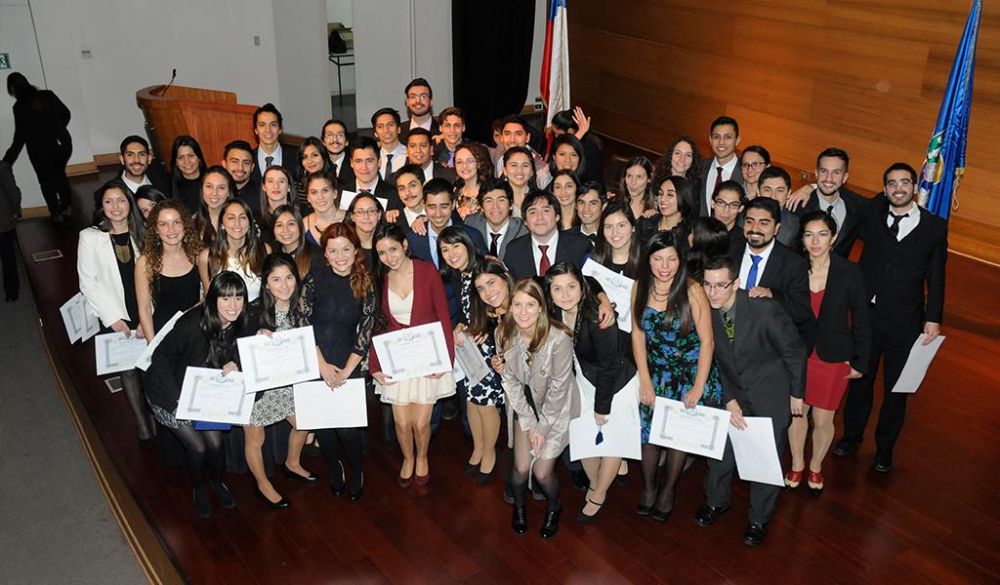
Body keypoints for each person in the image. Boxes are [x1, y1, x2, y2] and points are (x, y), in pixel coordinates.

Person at [834, 162, 947, 473]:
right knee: (860, 381)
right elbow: (842, 193)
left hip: (906, 323)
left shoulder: (934, 227)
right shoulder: (872, 214)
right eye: (892, 183)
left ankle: (884, 449)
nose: (899, 188)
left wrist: (934, 317)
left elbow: (937, 276)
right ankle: (851, 436)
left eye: (905, 183)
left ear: (914, 187)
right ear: (884, 190)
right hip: (867, 318)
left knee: (897, 389)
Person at [697, 256, 806, 546]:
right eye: (707, 284)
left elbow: (794, 351)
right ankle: (717, 501)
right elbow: (713, 360)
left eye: (721, 285)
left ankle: (759, 519)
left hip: (769, 393)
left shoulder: (765, 309)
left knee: (764, 461)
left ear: (736, 284)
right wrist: (729, 398)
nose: (713, 293)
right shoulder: (705, 311)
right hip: (732, 392)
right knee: (720, 454)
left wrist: (797, 393)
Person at [631, 230, 723, 522]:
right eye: (658, 258)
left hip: (689, 372)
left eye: (671, 258)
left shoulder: (693, 290)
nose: (664, 265)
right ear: (648, 260)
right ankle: (648, 488)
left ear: (680, 260)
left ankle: (669, 489)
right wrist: (644, 379)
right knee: (648, 434)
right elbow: (637, 335)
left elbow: (708, 341)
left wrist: (697, 387)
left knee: (676, 437)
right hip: (655, 371)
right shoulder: (639, 287)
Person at [145, 271, 252, 518]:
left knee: (215, 444)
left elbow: (244, 345)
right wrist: (177, 398)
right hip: (168, 392)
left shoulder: (240, 321)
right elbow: (159, 358)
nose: (233, 305)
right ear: (212, 299)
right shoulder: (191, 324)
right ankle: (199, 488)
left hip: (203, 391)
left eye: (238, 298)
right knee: (199, 448)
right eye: (226, 298)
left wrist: (235, 362)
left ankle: (216, 482)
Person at [544, 262, 637, 523]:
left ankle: (598, 493)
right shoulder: (554, 309)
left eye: (571, 287)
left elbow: (609, 367)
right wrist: (602, 292)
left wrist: (601, 408)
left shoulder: (598, 317)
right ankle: (599, 482)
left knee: (612, 434)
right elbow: (591, 281)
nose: (565, 294)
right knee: (582, 434)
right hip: (585, 375)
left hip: (617, 380)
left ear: (580, 288)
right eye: (558, 289)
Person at [786, 212, 870, 494]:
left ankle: (816, 465)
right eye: (809, 234)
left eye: (822, 234)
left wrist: (859, 359)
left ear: (833, 238)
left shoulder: (850, 271)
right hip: (799, 355)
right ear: (802, 239)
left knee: (823, 420)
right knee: (797, 415)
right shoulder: (794, 269)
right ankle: (797, 463)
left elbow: (861, 318)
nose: (815, 241)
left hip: (833, 356)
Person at [370, 224, 456, 487]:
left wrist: (446, 360)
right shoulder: (379, 278)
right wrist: (374, 365)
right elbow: (376, 324)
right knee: (401, 422)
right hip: (396, 359)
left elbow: (443, 316)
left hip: (427, 356)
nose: (389, 257)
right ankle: (407, 458)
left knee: (420, 424)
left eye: (393, 249)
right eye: (382, 253)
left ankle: (422, 456)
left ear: (405, 245)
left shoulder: (427, 271)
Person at [499, 278, 578, 539]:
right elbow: (509, 381)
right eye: (517, 305)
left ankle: (555, 507)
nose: (523, 312)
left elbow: (559, 387)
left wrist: (542, 427)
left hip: (557, 407)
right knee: (520, 470)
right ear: (509, 308)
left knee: (542, 473)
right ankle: (519, 508)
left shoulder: (560, 339)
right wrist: (530, 423)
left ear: (542, 308)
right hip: (526, 405)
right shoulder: (504, 333)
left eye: (530, 305)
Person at [78, 179, 153, 445]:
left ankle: (154, 413)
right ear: (101, 206)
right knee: (129, 370)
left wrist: (147, 317)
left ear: (129, 203)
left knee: (150, 365)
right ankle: (142, 422)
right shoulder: (90, 237)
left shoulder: (144, 232)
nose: (116, 207)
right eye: (108, 201)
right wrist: (114, 320)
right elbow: (88, 282)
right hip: (115, 315)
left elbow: (154, 275)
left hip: (145, 309)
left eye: (121, 200)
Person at [307, 223, 377, 499]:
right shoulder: (314, 279)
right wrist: (322, 365)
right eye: (333, 250)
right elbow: (303, 322)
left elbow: (366, 329)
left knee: (347, 429)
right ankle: (335, 467)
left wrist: (347, 371)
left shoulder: (365, 281)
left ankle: (357, 469)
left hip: (350, 361)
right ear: (325, 253)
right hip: (317, 359)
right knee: (323, 427)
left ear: (355, 250)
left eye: (345, 249)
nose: (339, 256)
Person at [244, 254, 314, 508]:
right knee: (255, 439)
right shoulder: (253, 311)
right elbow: (234, 347)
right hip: (259, 388)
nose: (284, 285)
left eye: (289, 277)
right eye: (276, 279)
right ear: (266, 284)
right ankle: (262, 484)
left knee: (305, 423)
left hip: (291, 384)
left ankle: (292, 462)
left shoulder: (303, 308)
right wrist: (255, 337)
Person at [439, 227, 503, 482]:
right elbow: (468, 312)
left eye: (455, 246)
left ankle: (490, 454)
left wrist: (487, 328)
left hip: (491, 347)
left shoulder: (487, 267)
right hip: (470, 349)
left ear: (467, 244)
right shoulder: (458, 273)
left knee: (487, 406)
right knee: (471, 403)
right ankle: (477, 448)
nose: (451, 254)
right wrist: (460, 325)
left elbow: (505, 301)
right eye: (444, 249)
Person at [729, 197, 811, 338]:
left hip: (768, 344)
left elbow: (801, 312)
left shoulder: (794, 264)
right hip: (727, 336)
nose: (755, 229)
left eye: (764, 223)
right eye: (750, 221)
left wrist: (773, 294)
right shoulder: (728, 250)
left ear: (777, 228)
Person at [3, 72, 72, 221]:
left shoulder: (19, 107)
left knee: (45, 182)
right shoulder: (47, 95)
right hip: (61, 144)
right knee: (60, 175)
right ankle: (67, 206)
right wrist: (59, 130)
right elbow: (66, 113)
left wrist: (7, 160)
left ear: (13, 89)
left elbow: (19, 137)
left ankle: (55, 212)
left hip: (38, 151)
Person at [135, 199, 202, 341]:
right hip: (163, 335)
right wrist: (152, 346)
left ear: (185, 224)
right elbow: (144, 309)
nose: (171, 230)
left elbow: (207, 296)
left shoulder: (198, 256)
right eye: (164, 224)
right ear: (155, 229)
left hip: (196, 332)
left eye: (177, 222)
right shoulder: (145, 263)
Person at [788, 148, 867, 257]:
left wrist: (812, 186)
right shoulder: (797, 205)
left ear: (845, 178)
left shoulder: (855, 208)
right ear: (816, 173)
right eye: (824, 171)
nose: (828, 178)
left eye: (836, 172)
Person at [503, 191, 593, 279]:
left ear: (557, 216)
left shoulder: (580, 246)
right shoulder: (514, 250)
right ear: (525, 221)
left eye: (546, 211)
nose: (540, 217)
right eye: (533, 212)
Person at [406, 178, 486, 269]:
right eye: (432, 207)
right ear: (424, 207)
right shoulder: (412, 238)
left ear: (453, 205)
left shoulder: (472, 236)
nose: (438, 214)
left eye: (444, 207)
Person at [198, 199, 269, 300]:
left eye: (243, 217)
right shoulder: (207, 256)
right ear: (222, 224)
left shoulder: (264, 250)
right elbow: (209, 300)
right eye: (231, 218)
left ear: (249, 223)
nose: (237, 223)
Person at [464, 179, 528, 259]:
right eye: (489, 201)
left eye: (501, 200)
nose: (495, 207)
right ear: (482, 207)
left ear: (511, 204)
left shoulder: (523, 230)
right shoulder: (471, 224)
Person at [699, 116, 743, 217]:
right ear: (710, 140)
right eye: (716, 137)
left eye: (728, 137)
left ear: (737, 140)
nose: (721, 142)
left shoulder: (747, 172)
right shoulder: (699, 167)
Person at [637, 174, 697, 245]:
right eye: (660, 193)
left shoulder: (690, 234)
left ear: (684, 197)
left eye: (670, 195)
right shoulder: (645, 223)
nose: (662, 199)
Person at [494, 115, 551, 188]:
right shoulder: (500, 161)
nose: (512, 140)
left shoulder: (541, 169)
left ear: (527, 137)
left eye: (518, 134)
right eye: (507, 134)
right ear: (501, 138)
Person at [590, 200, 641, 279]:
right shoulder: (594, 260)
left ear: (633, 227)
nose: (615, 232)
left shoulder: (647, 260)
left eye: (621, 225)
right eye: (609, 227)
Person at [250, 103, 297, 184]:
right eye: (262, 125)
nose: (268, 130)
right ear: (256, 130)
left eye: (273, 124)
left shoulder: (297, 155)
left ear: (280, 129)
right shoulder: (249, 159)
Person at [348, 136, 399, 209]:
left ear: (379, 162)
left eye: (369, 161)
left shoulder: (394, 195)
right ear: (351, 163)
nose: (364, 167)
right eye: (358, 161)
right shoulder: (340, 193)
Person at [756, 166, 801, 248]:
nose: (773, 196)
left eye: (780, 190)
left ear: (788, 193)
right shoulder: (742, 219)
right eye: (767, 190)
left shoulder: (797, 226)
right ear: (758, 192)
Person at [195, 166, 238, 245]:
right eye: (209, 186)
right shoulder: (193, 223)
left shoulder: (240, 220)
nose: (214, 193)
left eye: (221, 188)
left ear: (229, 192)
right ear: (202, 189)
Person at [302, 170, 345, 247]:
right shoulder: (303, 225)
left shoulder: (352, 220)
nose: (320, 197)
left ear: (335, 193)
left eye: (325, 190)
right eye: (314, 192)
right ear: (308, 197)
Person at [269, 205, 313, 278]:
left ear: (300, 227)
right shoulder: (271, 255)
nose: (285, 230)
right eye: (279, 225)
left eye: (291, 224)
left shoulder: (316, 257)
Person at [344, 192, 385, 270]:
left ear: (379, 215)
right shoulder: (344, 245)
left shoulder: (387, 245)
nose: (366, 216)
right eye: (360, 212)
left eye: (371, 211)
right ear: (352, 216)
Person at [452, 141, 493, 218]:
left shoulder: (490, 192)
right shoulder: (454, 192)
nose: (464, 166)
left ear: (479, 163)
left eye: (469, 161)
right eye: (459, 162)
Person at [0, 161, 21, 301]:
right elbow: (13, 192)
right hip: (3, 221)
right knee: (8, 258)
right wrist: (15, 211)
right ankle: (12, 292)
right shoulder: (2, 167)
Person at [294, 136, 335, 207]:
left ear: (324, 157)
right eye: (305, 157)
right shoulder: (295, 186)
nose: (310, 161)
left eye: (315, 155)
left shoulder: (336, 184)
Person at [170, 135, 208, 213]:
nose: (187, 161)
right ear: (176, 162)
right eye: (180, 157)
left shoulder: (212, 180)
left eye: (191, 156)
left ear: (199, 158)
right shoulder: (169, 186)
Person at [222, 140, 260, 214]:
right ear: (224, 164)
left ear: (252, 167)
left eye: (246, 163)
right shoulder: (215, 193)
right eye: (234, 161)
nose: (240, 168)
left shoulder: (262, 196)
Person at [501, 146, 537, 216]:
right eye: (514, 165)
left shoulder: (541, 199)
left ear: (532, 171)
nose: (519, 171)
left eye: (525, 165)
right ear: (504, 170)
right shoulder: (496, 199)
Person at [373, 107, 407, 179]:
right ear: (375, 133)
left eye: (390, 125)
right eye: (380, 126)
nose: (386, 130)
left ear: (399, 129)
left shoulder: (411, 155)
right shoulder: (371, 157)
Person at [617, 156, 656, 220]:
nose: (633, 183)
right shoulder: (615, 204)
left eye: (639, 177)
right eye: (629, 176)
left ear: (649, 179)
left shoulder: (657, 209)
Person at [712, 180, 746, 251]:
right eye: (721, 203)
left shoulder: (745, 241)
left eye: (734, 205)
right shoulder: (698, 234)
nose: (726, 210)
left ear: (740, 208)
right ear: (712, 203)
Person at [259, 165, 295, 231]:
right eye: (270, 181)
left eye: (281, 181)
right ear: (264, 187)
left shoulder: (303, 215)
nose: (276, 186)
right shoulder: (256, 218)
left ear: (289, 187)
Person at [320, 118, 355, 187]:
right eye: (330, 135)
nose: (335, 139)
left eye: (340, 135)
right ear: (323, 141)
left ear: (347, 141)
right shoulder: (318, 165)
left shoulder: (356, 164)